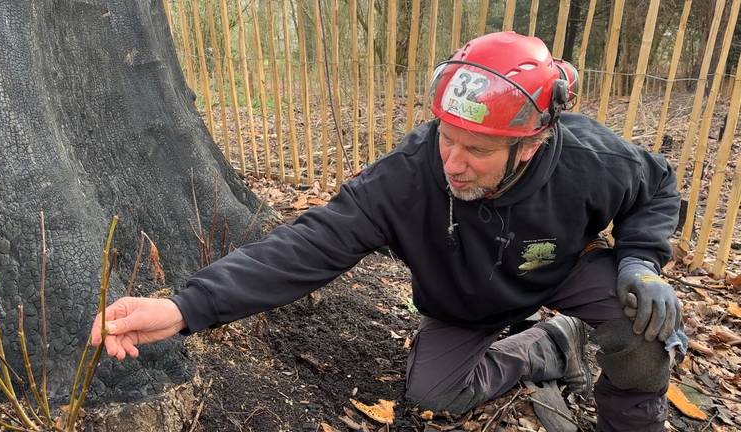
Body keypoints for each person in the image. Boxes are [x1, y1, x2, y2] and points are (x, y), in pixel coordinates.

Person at [91, 32, 683, 431]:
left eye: (475, 150)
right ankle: (554, 345)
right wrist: (184, 308)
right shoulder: (407, 176)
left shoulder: (590, 158)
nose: (451, 163)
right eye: (445, 138)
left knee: (643, 322)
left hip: (560, 268)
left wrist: (640, 264)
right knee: (435, 396)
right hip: (465, 299)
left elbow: (657, 188)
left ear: (530, 145)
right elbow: (310, 244)